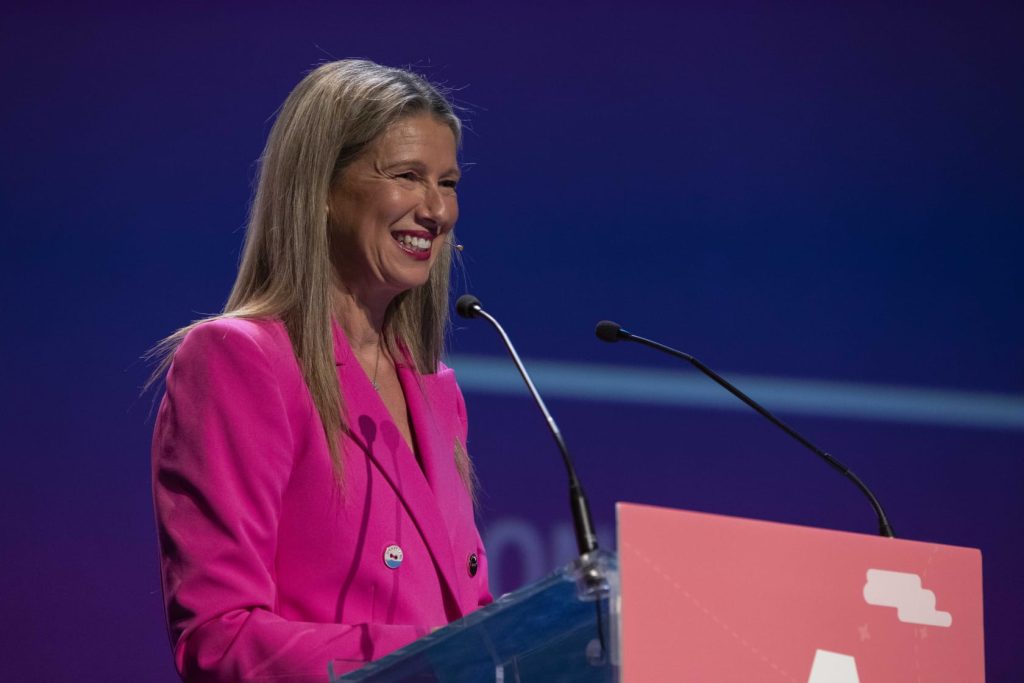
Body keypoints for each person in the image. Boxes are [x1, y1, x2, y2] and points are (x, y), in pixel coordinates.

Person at [150, 60, 491, 682]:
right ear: (323, 189)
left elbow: (468, 616)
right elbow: (220, 638)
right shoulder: (239, 359)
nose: (438, 209)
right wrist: (434, 660)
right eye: (407, 176)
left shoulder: (436, 388)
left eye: (447, 182)